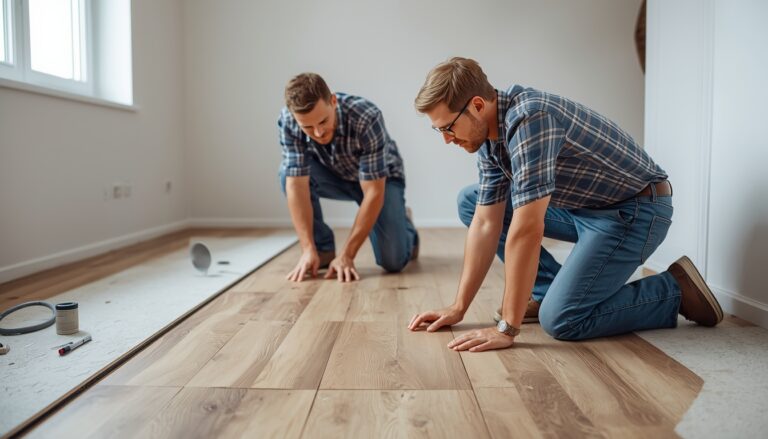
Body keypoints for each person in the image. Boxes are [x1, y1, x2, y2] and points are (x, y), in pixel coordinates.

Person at [407, 57, 722, 351]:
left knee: (562, 320)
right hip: (586, 208)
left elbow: (528, 229)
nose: (447, 139)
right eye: (439, 130)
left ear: (477, 105)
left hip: (634, 211)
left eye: (448, 127)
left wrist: (507, 329)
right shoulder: (489, 139)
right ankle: (546, 294)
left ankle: (674, 291)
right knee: (471, 201)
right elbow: (487, 222)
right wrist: (458, 306)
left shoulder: (530, 118)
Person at [279, 73, 419, 282]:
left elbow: (373, 192)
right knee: (288, 174)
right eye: (307, 127)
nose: (317, 133)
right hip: (334, 175)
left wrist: (347, 255)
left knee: (393, 262)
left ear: (333, 101)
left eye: (323, 121)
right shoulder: (288, 121)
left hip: (381, 180)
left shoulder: (366, 116)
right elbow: (296, 187)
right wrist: (306, 248)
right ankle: (320, 248)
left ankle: (404, 225)